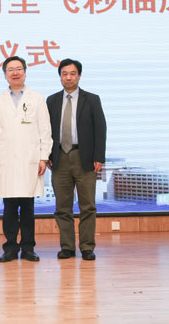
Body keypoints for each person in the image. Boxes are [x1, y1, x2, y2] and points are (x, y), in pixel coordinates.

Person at [0, 56, 52, 262]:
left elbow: (45, 131)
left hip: (31, 161)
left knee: (28, 208)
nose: (15, 73)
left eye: (18, 69)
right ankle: (10, 248)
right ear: (5, 75)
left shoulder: (37, 98)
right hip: (8, 163)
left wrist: (43, 157)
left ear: (25, 72)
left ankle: (28, 248)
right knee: (9, 208)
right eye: (10, 70)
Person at [46, 58, 106, 261]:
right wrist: (47, 155)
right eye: (64, 74)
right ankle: (67, 247)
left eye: (72, 73)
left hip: (85, 157)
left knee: (87, 205)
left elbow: (100, 129)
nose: (68, 77)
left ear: (79, 76)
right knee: (62, 207)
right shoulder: (52, 101)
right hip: (59, 158)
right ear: (60, 77)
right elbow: (46, 131)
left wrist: (99, 156)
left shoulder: (92, 100)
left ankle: (87, 247)